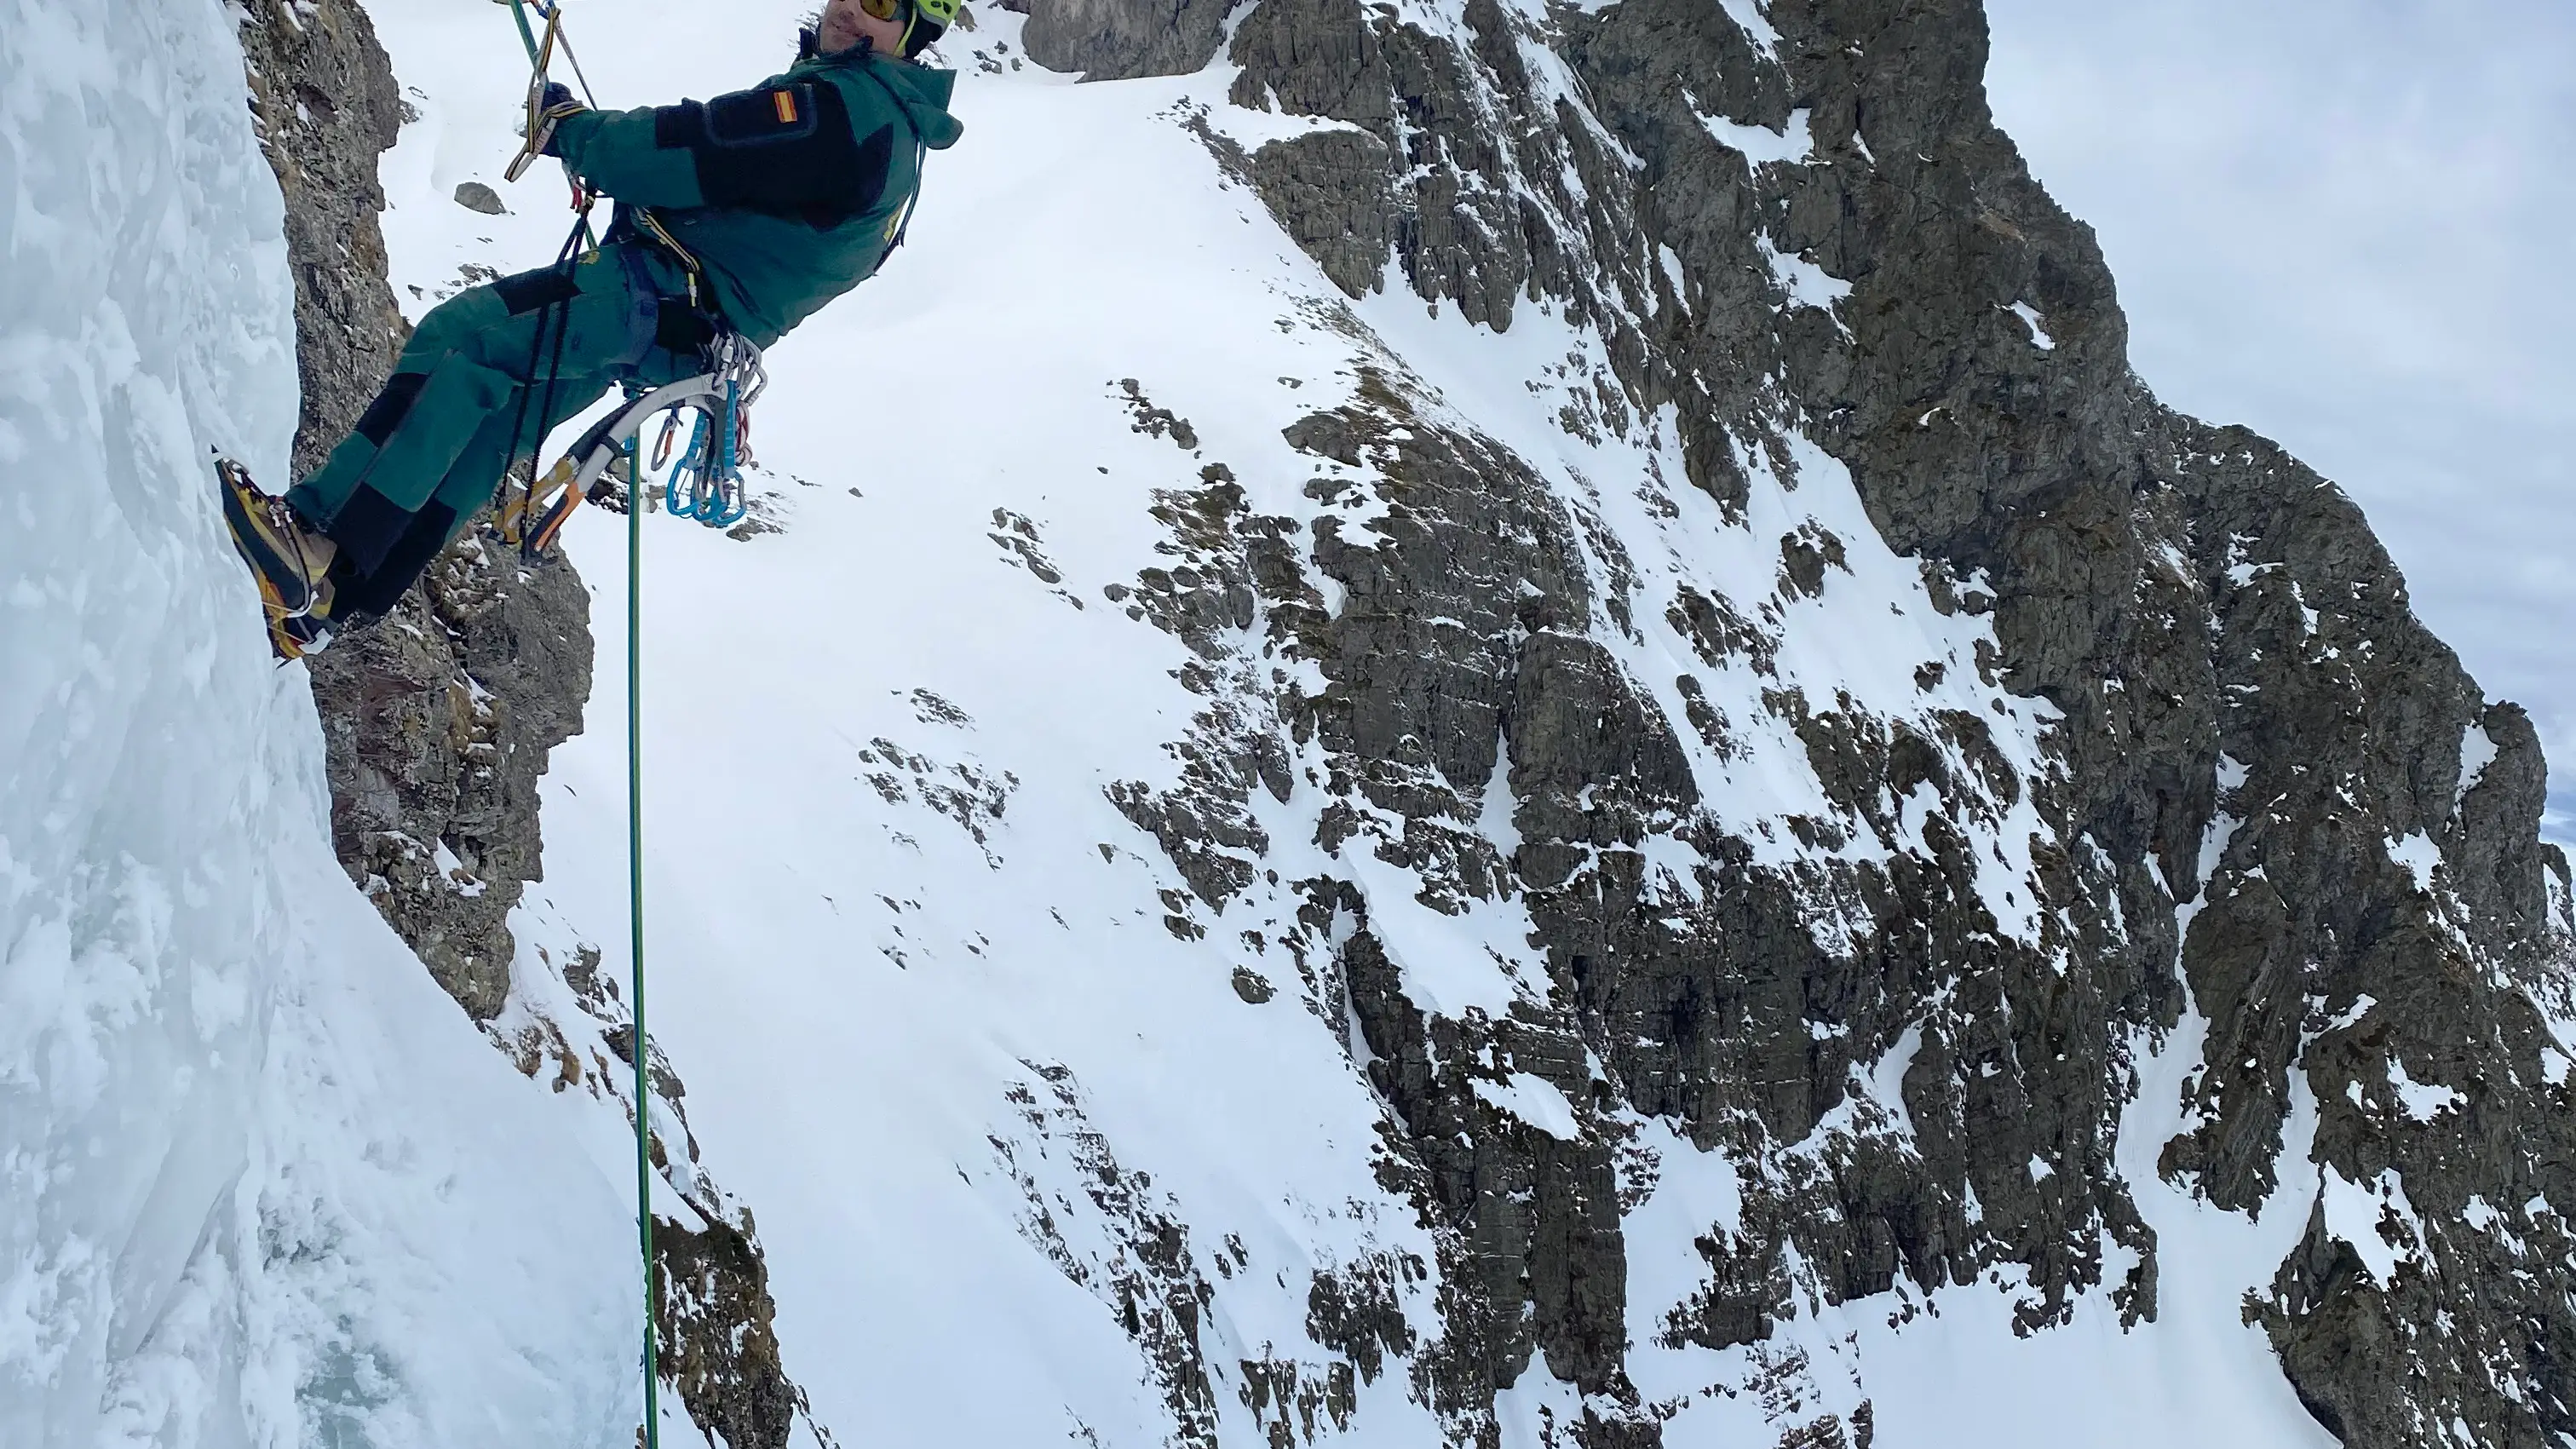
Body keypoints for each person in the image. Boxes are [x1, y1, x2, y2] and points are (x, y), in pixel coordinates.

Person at [222, 0, 964, 658]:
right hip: (681, 333)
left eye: (875, 4)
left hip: (654, 296)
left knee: (463, 340)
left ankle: (314, 541)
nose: (845, 10)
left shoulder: (846, 111)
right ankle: (330, 603)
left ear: (913, 32)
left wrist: (576, 135)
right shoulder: (897, 138)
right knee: (493, 424)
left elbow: (694, 147)